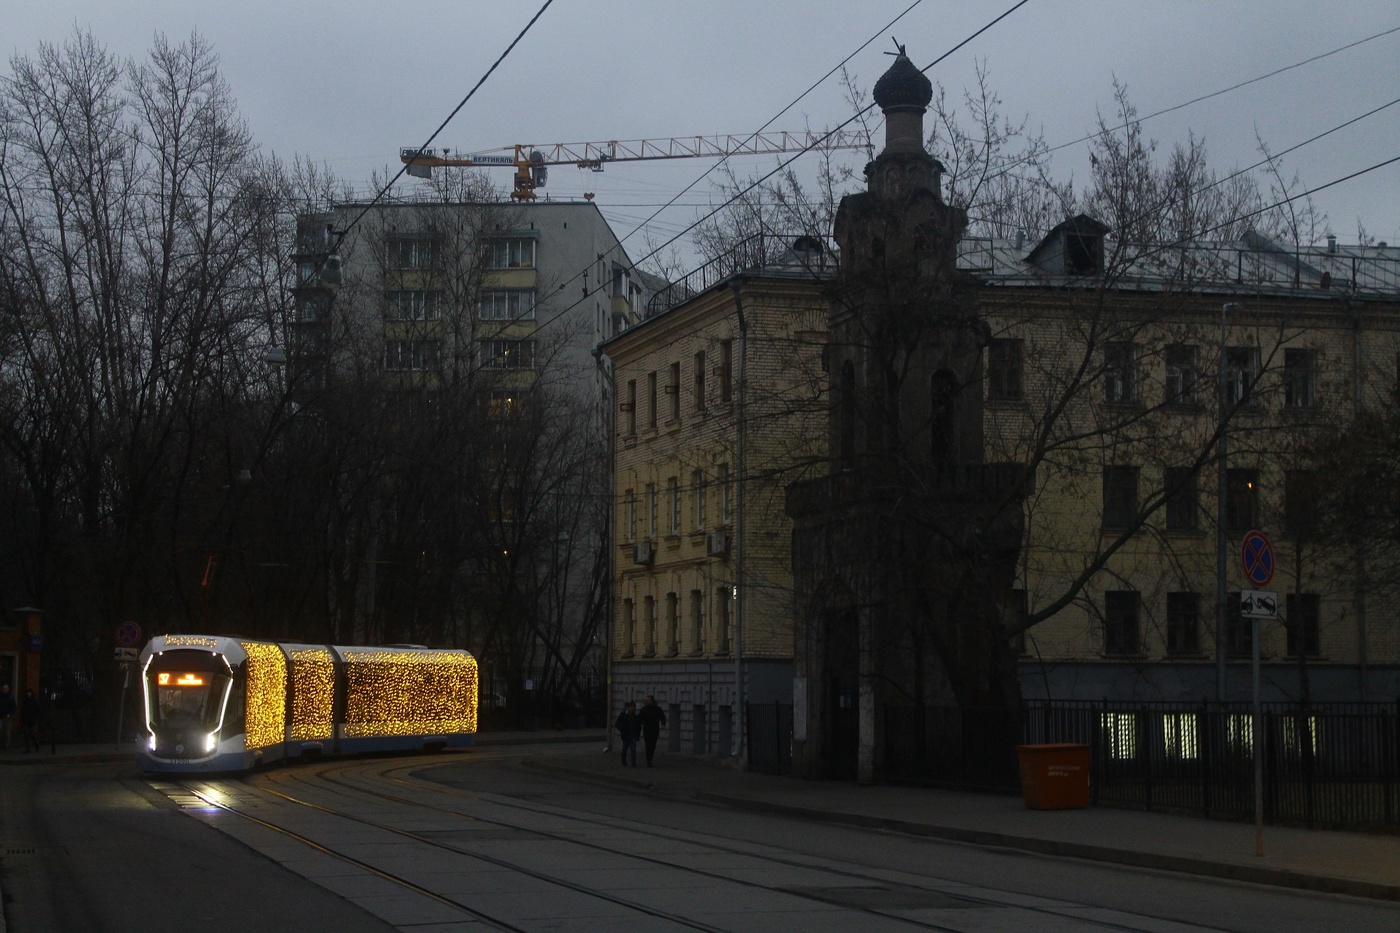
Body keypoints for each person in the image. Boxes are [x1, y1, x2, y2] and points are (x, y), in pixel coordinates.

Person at [639, 695, 667, 767]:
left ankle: (650, 758)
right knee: (647, 745)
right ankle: (649, 760)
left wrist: (663, 723)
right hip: (647, 730)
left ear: (652, 701)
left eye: (647, 700)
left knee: (653, 745)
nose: (646, 701)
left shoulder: (657, 709)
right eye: (645, 700)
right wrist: (642, 722)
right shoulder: (643, 709)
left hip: (654, 730)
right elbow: (640, 718)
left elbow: (662, 717)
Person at [615, 701, 641, 767]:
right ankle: (624, 761)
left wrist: (637, 734)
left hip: (633, 734)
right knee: (625, 749)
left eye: (634, 707)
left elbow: (638, 725)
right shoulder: (623, 715)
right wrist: (622, 730)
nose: (633, 709)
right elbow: (617, 723)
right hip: (625, 734)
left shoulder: (635, 716)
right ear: (628, 708)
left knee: (633, 749)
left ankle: (633, 763)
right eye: (632, 707)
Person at [20, 689, 40, 754]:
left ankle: (36, 743)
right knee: (26, 734)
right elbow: (22, 709)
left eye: (29, 693)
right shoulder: (25, 701)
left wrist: (35, 718)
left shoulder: (34, 701)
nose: (28, 694)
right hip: (26, 720)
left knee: (32, 734)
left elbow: (38, 710)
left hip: (32, 720)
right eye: (28, 693)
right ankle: (27, 748)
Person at [0, 684, 14, 749]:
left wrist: (10, 714)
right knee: (1, 730)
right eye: (3, 689)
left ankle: (6, 745)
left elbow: (13, 707)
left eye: (6, 689)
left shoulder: (10, 697)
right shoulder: (1, 697)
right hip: (1, 716)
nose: (4, 690)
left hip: (8, 716)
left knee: (7, 731)